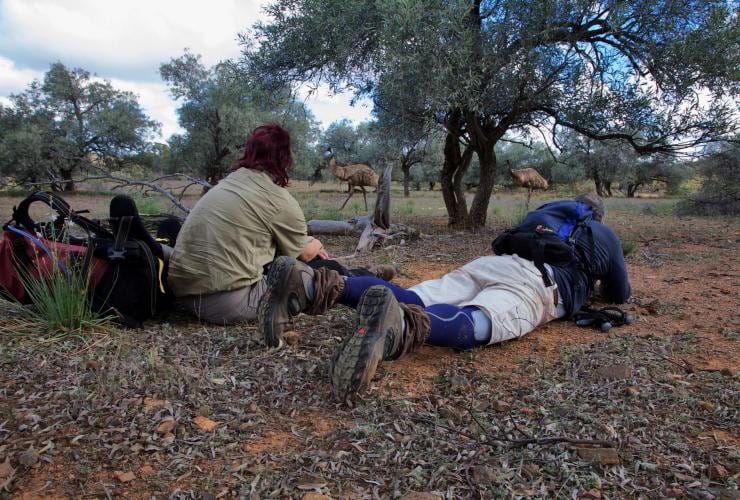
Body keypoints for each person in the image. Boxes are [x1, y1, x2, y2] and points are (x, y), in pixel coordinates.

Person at [258, 193, 630, 400]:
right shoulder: (604, 235)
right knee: (481, 321)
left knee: (412, 295)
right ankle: (399, 328)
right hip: (536, 282)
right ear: (600, 216)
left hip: (491, 264)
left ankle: (310, 286)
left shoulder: (542, 215)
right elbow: (619, 293)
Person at [167, 124, 391, 325]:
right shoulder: (277, 198)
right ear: (285, 159)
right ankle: (370, 283)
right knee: (312, 275)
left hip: (185, 295)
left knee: (289, 262)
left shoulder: (225, 184)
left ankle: (366, 275)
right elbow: (304, 254)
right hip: (227, 302)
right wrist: (314, 241)